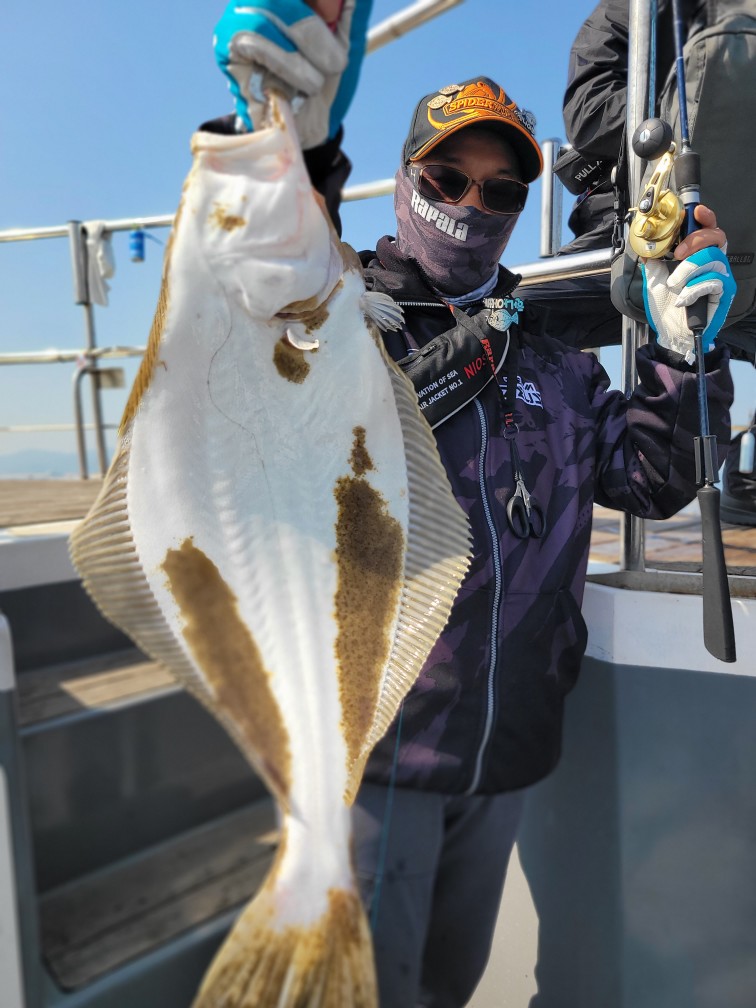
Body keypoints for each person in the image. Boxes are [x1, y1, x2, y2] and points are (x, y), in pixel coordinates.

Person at [209, 3, 736, 1005]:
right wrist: (288, 152)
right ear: (405, 180)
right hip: (368, 762)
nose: (472, 200)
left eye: (500, 188)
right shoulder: (342, 312)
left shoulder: (557, 360)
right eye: (447, 177)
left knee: (446, 989)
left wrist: (681, 352)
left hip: (505, 757)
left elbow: (650, 478)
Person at [535, 0, 756, 524]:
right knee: (514, 317)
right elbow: (589, 113)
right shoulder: (628, 9)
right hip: (634, 234)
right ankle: (522, 465)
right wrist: (684, 113)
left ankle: (744, 471)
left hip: (744, 250)